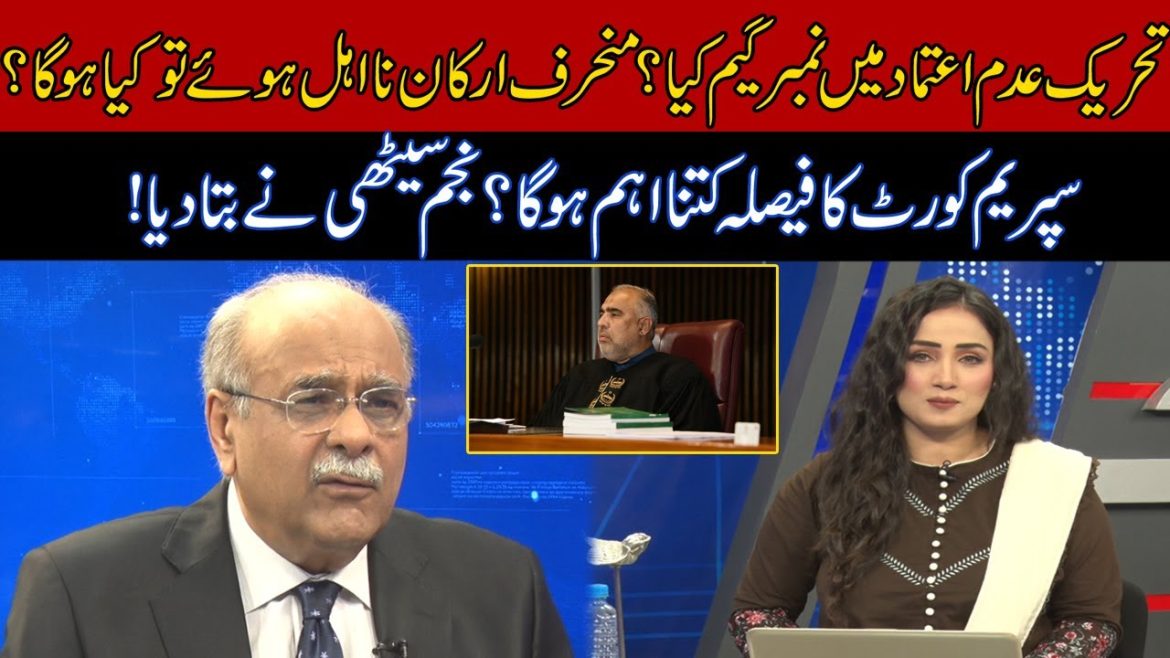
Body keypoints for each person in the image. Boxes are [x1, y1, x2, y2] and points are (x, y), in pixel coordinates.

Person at [3, 272, 571, 657]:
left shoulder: (503, 588)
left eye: (381, 403)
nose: (356, 436)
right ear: (225, 427)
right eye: (314, 400)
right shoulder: (78, 594)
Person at [729, 277, 1122, 657]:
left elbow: (1091, 624)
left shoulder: (1057, 480)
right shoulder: (823, 482)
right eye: (922, 356)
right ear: (888, 369)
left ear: (997, 374)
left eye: (970, 359)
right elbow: (757, 611)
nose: (945, 378)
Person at [531, 284, 723, 431]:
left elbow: (692, 455)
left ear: (643, 326)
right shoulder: (579, 375)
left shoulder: (679, 377)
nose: (601, 323)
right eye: (602, 314)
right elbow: (540, 434)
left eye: (614, 314)